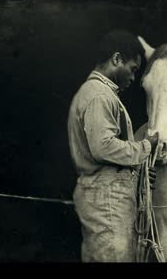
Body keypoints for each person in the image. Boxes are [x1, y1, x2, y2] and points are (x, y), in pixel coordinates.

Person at [67, 29, 158, 262]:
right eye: (133, 69)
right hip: (107, 202)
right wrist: (145, 147)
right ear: (116, 59)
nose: (133, 78)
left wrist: (139, 175)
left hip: (105, 199)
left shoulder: (101, 94)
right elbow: (103, 147)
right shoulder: (99, 95)